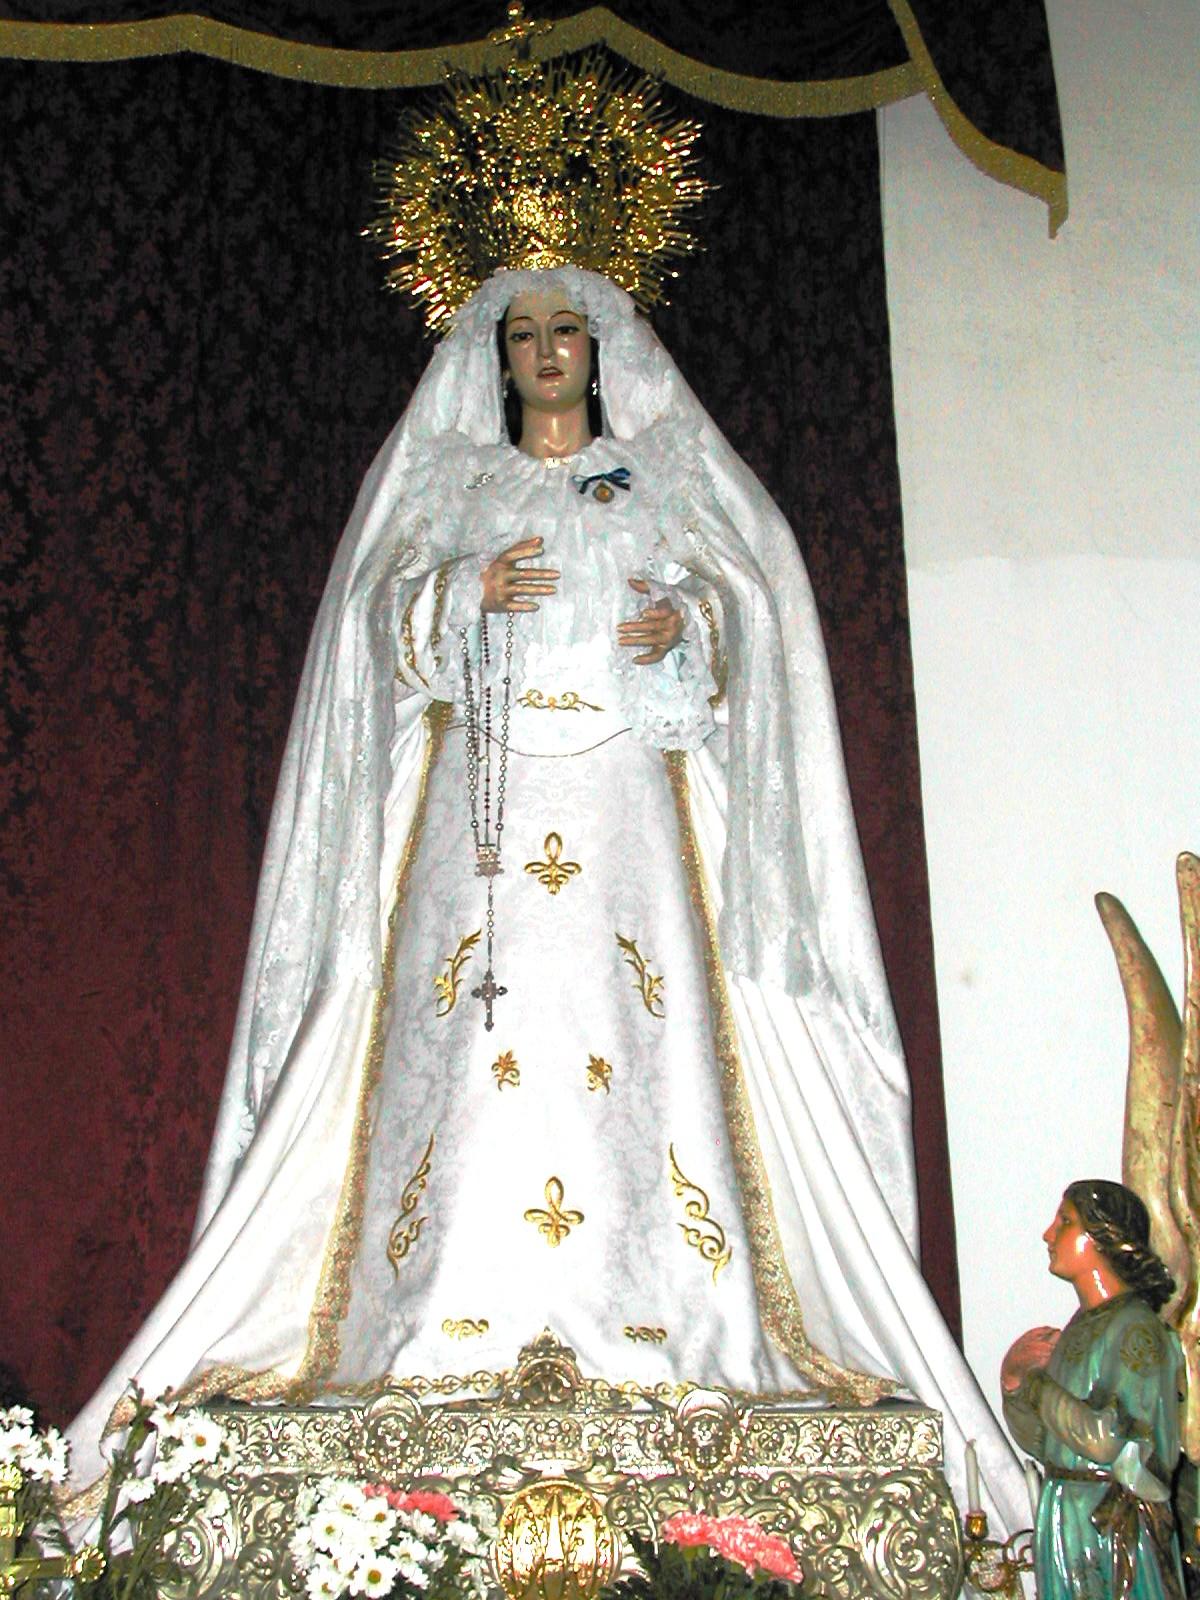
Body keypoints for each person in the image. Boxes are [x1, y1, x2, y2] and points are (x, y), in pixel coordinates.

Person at [64, 261, 1028, 1536]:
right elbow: (369, 630)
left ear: (604, 345)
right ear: (496, 355)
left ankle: (665, 1319)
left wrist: (693, 624)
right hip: (481, 819)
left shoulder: (666, 478)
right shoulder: (455, 482)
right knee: (475, 1047)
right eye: (523, 332)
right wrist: (454, 596)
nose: (548, 350)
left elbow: (753, 606)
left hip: (630, 813)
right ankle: (442, 1321)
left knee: (640, 1039)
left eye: (569, 327)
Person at [1002, 1180, 1185, 1600]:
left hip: (1109, 1527)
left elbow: (1106, 1440)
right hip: (1068, 1514)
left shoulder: (1135, 1328)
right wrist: (1014, 1385)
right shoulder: (1082, 1326)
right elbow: (1046, 1441)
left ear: (1104, 1237)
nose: (1048, 1234)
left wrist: (1035, 1385)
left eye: (1065, 1221)